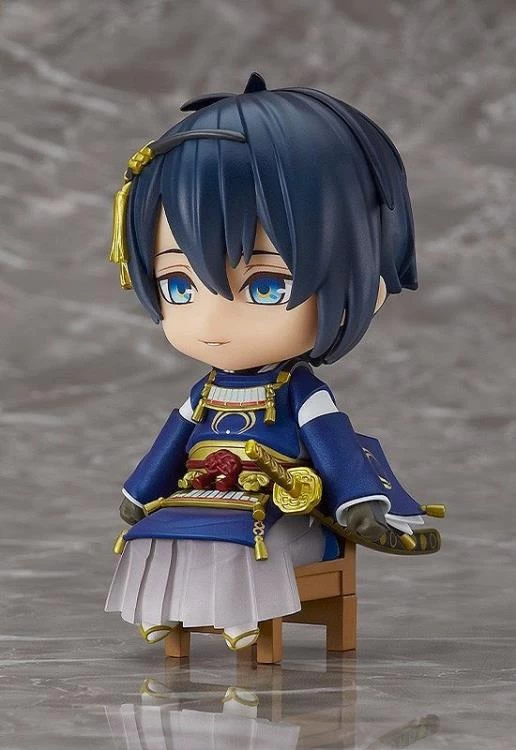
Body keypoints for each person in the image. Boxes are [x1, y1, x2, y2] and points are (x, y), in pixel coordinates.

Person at [105, 72, 444, 650]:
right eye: (179, 285)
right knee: (158, 530)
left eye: (265, 286)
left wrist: (360, 503)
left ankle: (241, 617)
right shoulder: (203, 395)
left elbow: (337, 451)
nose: (212, 320)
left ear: (366, 282)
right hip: (204, 496)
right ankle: (161, 610)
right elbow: (170, 444)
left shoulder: (301, 394)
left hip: (283, 511)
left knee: (244, 540)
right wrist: (140, 493)